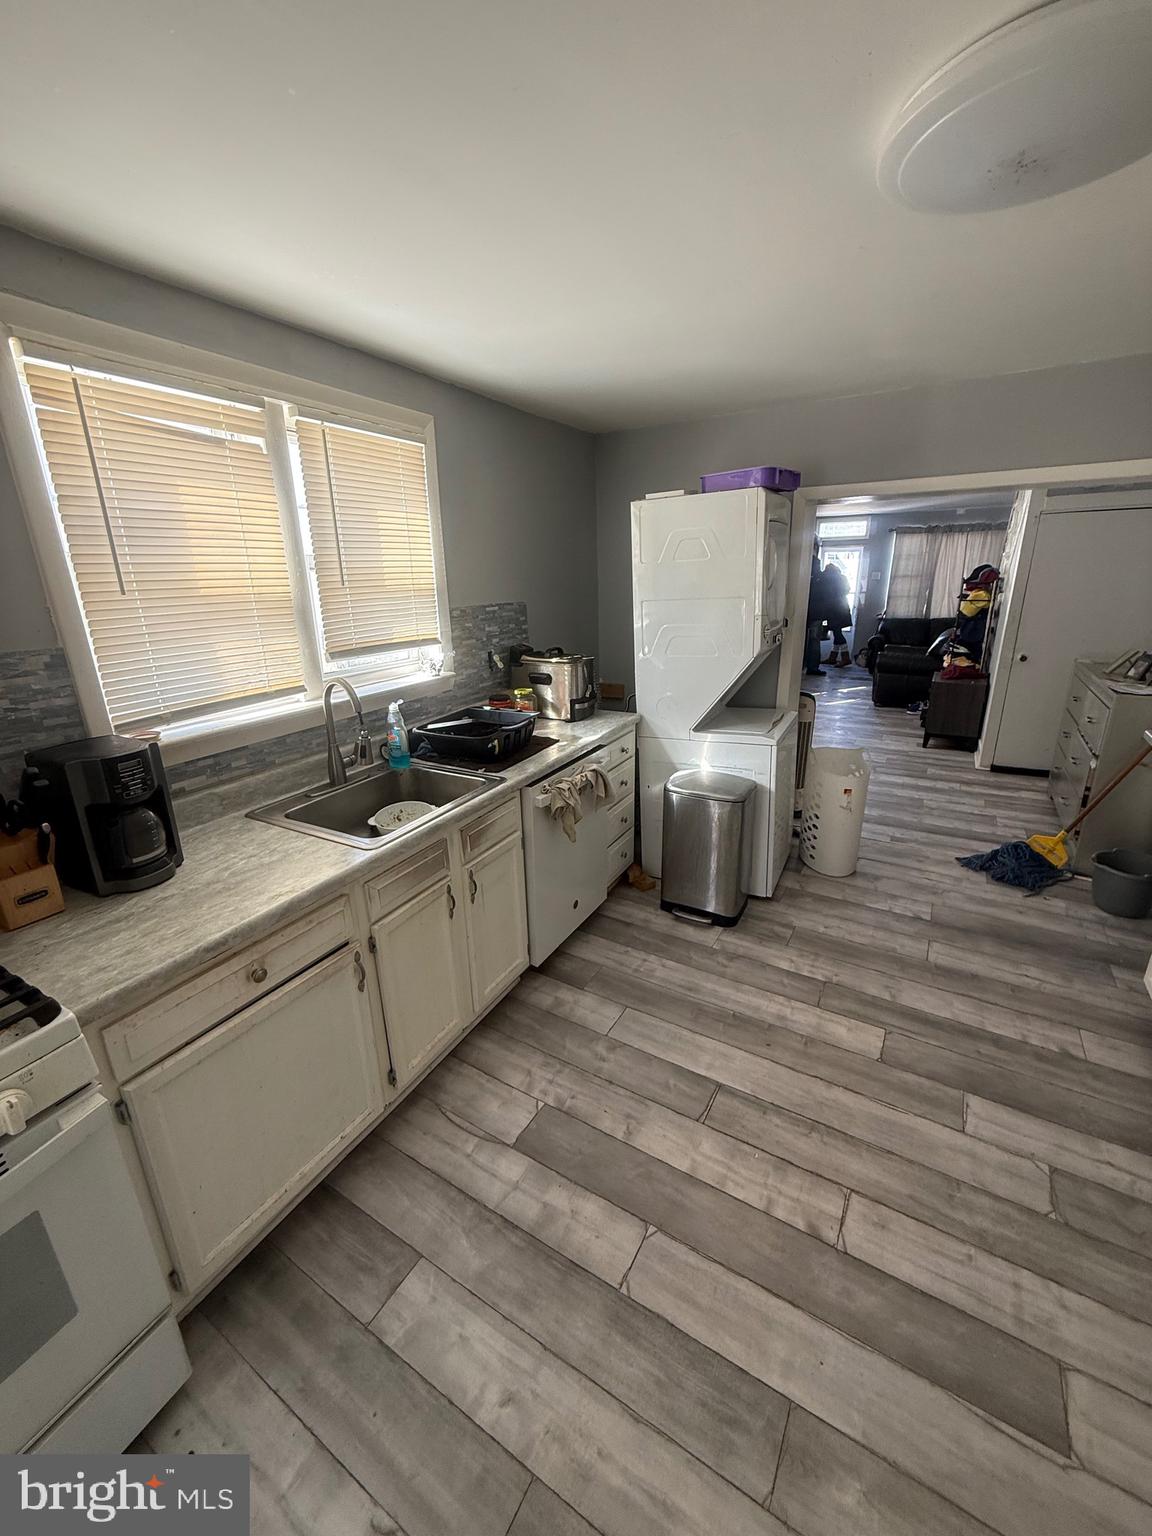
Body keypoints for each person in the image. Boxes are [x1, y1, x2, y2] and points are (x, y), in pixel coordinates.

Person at [822, 560, 853, 667]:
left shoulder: (831, 580)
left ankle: (846, 658)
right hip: (842, 609)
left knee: (838, 634)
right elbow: (847, 590)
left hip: (836, 611)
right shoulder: (842, 578)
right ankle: (833, 657)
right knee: (837, 633)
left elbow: (828, 595)